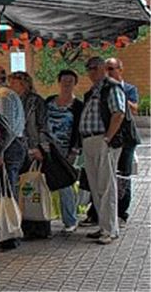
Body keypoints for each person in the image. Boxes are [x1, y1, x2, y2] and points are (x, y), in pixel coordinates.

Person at [79, 56, 127, 245]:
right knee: (96, 186)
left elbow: (119, 113)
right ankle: (103, 225)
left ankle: (110, 229)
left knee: (106, 186)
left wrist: (108, 137)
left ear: (102, 69)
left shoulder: (111, 87)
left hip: (102, 139)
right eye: (88, 68)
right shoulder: (92, 91)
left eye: (94, 68)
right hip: (89, 139)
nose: (91, 72)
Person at [0, 64, 26, 249]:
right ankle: (7, 232)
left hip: (9, 147)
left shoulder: (2, 96)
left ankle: (8, 235)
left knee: (5, 191)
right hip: (11, 146)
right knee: (6, 190)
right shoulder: (3, 94)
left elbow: (6, 128)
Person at [9, 71, 55, 239]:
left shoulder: (36, 102)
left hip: (32, 147)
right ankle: (25, 224)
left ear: (24, 84)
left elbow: (43, 126)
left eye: (14, 83)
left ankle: (39, 225)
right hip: (19, 146)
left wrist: (41, 148)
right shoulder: (12, 100)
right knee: (23, 186)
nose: (11, 86)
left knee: (34, 186)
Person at [46, 70, 85, 233]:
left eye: (70, 81)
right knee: (43, 183)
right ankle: (42, 218)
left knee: (65, 184)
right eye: (64, 80)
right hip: (48, 149)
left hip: (67, 149)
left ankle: (70, 219)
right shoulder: (49, 102)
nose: (67, 84)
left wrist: (75, 150)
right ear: (59, 82)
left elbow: (80, 129)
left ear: (75, 83)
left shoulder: (78, 106)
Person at [105, 58, 139, 226]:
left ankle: (122, 212)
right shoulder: (104, 90)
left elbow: (134, 108)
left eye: (111, 68)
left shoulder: (129, 89)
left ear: (120, 69)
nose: (108, 72)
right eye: (106, 69)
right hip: (110, 138)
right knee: (107, 175)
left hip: (126, 138)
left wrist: (120, 95)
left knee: (123, 175)